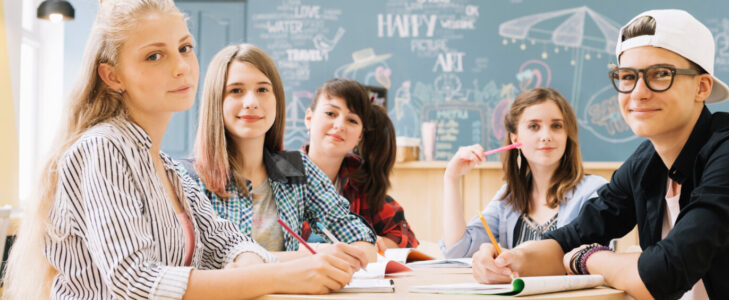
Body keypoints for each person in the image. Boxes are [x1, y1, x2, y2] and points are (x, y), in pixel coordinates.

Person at [469, 9, 729, 300]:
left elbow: (659, 279)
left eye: (660, 74)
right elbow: (571, 237)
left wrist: (588, 258)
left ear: (702, 87)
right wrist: (512, 261)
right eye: (627, 76)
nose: (638, 92)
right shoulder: (646, 164)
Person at [2, 1, 358, 298]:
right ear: (113, 76)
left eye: (185, 48)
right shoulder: (103, 148)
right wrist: (279, 275)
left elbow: (228, 242)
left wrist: (254, 264)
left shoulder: (168, 169)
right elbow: (134, 279)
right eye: (155, 56)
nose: (181, 67)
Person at [185, 44, 377, 265]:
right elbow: (210, 265)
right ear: (216, 100)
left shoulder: (296, 168)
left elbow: (360, 242)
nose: (251, 103)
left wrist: (356, 250)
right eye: (236, 90)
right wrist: (306, 256)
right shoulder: (187, 178)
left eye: (263, 90)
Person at [440, 88, 607, 258]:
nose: (546, 136)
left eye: (556, 126)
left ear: (567, 135)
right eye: (534, 126)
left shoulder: (594, 192)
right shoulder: (508, 200)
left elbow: (593, 259)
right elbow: (457, 251)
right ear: (515, 139)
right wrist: (451, 178)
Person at [302, 78, 419, 251]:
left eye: (352, 120)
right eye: (330, 113)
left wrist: (380, 244)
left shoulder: (360, 183)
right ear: (309, 118)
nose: (339, 125)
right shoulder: (279, 174)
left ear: (360, 136)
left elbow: (406, 237)